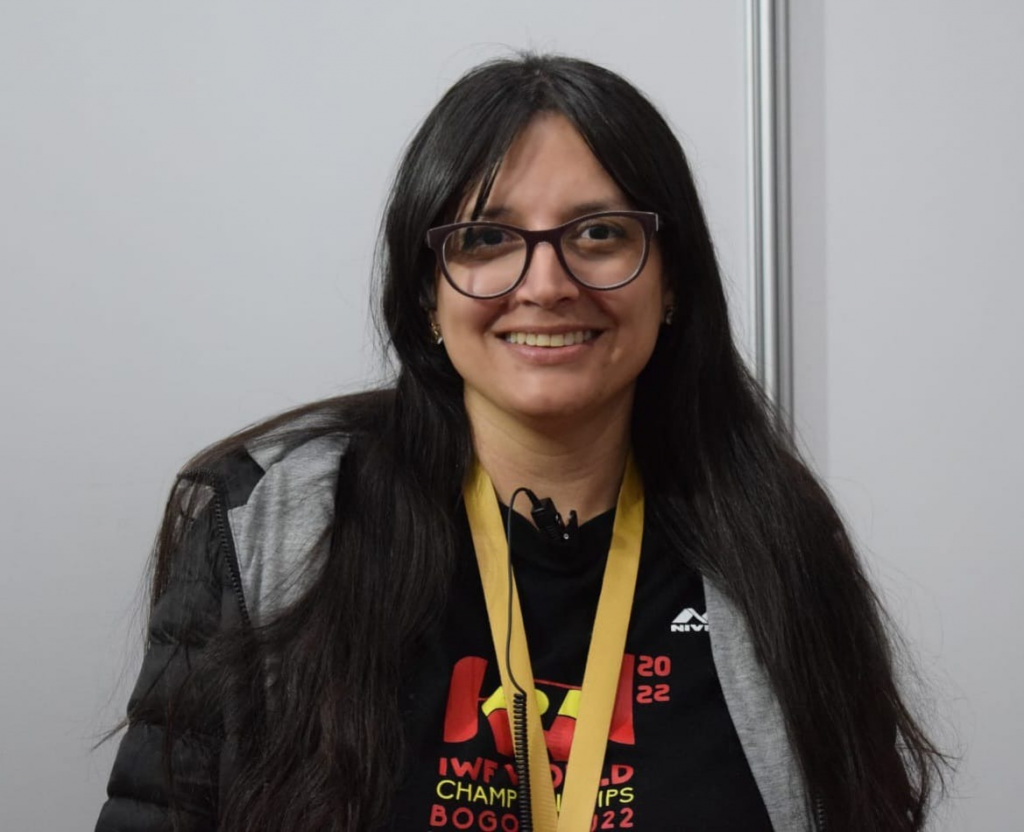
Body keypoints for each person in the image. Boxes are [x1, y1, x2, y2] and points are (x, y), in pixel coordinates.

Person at [95, 53, 945, 831]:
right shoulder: (274, 520)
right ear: (426, 293)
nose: (546, 284)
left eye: (600, 233)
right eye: (486, 239)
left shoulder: (774, 539)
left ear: (672, 281)